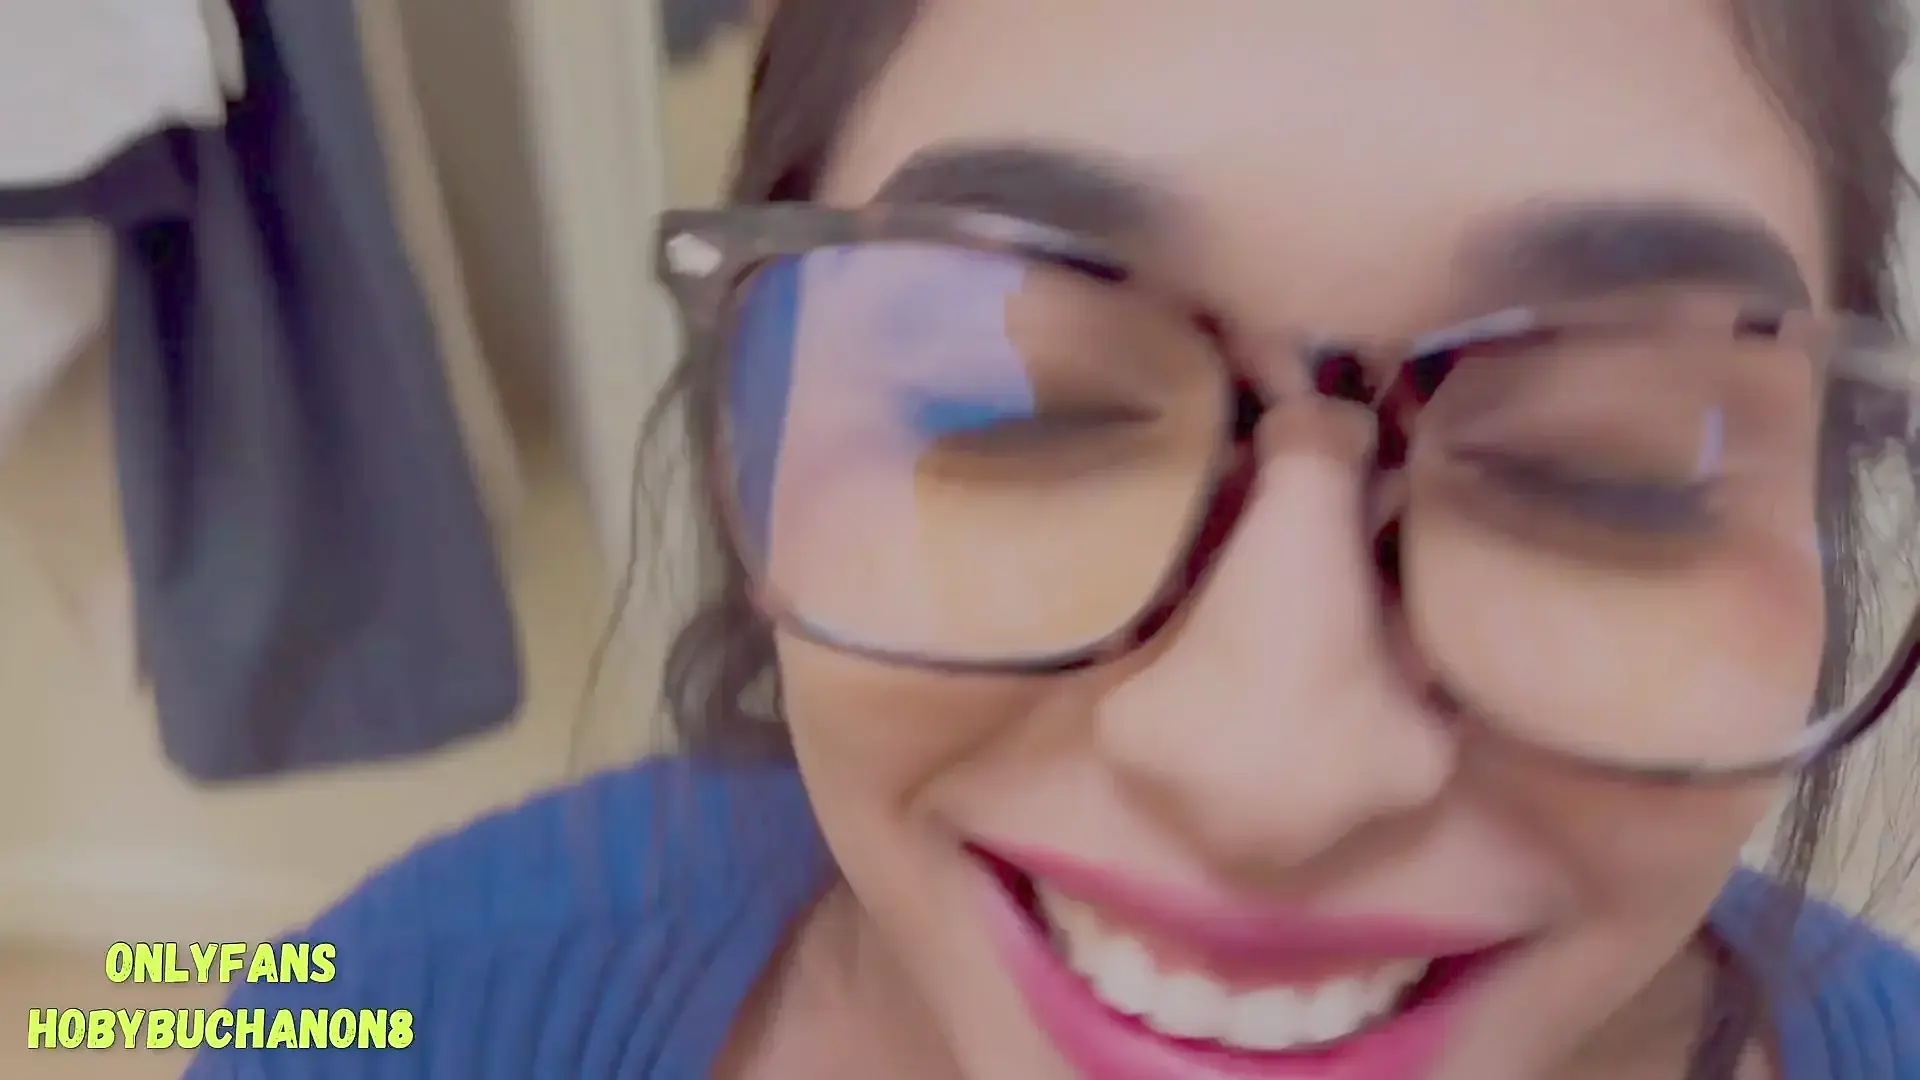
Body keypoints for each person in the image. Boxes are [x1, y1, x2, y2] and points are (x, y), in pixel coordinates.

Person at [186, 1, 1920, 1077]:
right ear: (749, 440)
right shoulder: (380, 1002)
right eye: (1018, 408)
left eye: (1601, 473)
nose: (1273, 773)